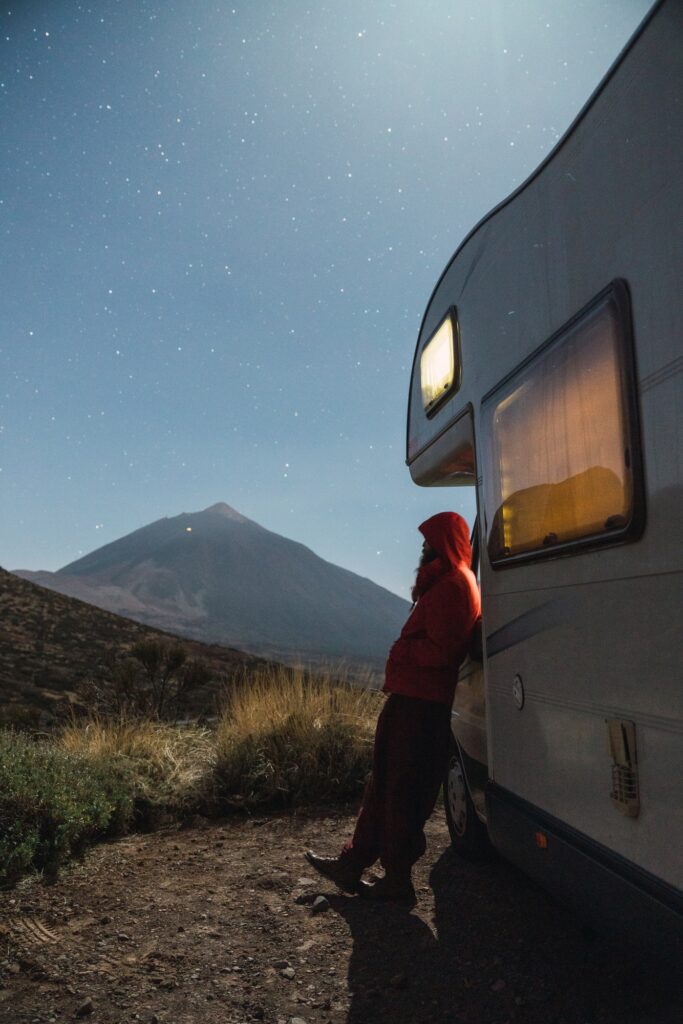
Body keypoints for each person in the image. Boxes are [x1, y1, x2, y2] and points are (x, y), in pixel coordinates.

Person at [305, 511, 481, 903]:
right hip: (411, 700)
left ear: (444, 542)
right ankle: (354, 863)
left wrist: (403, 653)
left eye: (429, 540)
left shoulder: (453, 586)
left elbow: (444, 651)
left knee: (403, 789)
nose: (422, 546)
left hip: (421, 705)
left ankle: (397, 881)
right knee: (385, 784)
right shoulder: (449, 583)